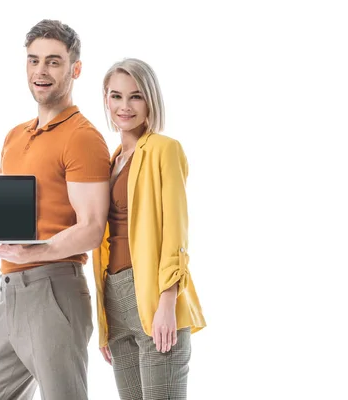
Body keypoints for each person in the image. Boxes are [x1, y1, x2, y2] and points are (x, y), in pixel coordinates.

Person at [0, 19, 111, 400]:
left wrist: (36, 251)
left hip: (53, 289)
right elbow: (33, 216)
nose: (41, 71)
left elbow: (91, 227)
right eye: (34, 60)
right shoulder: (15, 135)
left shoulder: (83, 138)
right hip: (9, 292)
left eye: (54, 62)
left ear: (75, 69)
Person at [92, 58, 207, 400]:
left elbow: (176, 230)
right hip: (114, 302)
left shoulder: (163, 149)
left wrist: (167, 302)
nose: (124, 106)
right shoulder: (111, 161)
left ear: (150, 100)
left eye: (135, 96)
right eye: (116, 96)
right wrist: (104, 325)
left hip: (155, 299)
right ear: (106, 99)